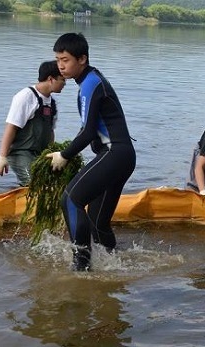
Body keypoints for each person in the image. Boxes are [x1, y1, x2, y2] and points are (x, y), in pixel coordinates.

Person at [47, 33, 136, 271]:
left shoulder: (90, 84)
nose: (60, 66)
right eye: (57, 60)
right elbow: (87, 129)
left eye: (65, 60)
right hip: (123, 156)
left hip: (114, 153)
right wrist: (66, 151)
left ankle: (81, 268)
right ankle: (114, 267)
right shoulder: (92, 80)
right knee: (98, 222)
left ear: (82, 59)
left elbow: (87, 133)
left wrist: (64, 156)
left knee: (70, 200)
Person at [0, 61, 65, 186]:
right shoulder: (26, 97)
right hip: (21, 153)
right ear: (50, 79)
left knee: (55, 183)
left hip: (40, 153)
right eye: (62, 80)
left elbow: (50, 131)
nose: (64, 84)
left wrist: (53, 152)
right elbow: (11, 127)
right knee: (34, 183)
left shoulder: (52, 102)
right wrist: (2, 157)